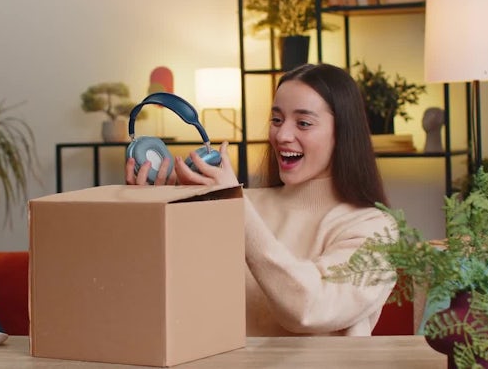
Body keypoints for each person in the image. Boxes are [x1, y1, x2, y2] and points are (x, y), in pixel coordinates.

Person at [125, 63, 397, 336]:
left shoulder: (375, 229)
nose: (282, 135)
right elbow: (164, 299)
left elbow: (309, 310)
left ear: (343, 134)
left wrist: (237, 209)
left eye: (303, 123)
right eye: (277, 120)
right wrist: (155, 213)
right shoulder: (238, 203)